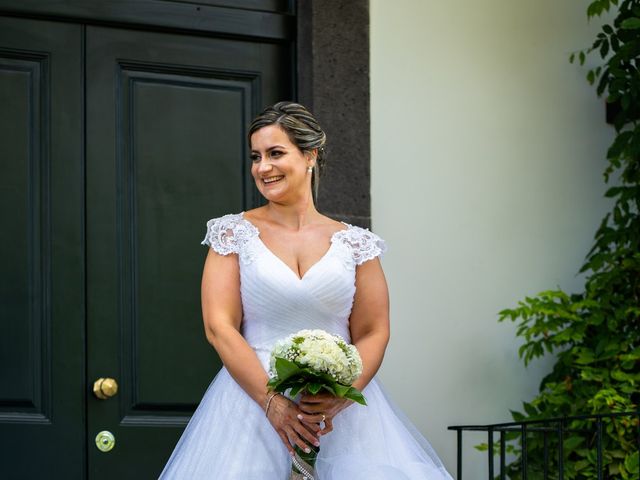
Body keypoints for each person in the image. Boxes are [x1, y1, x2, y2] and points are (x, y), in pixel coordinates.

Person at [159, 102, 452, 479]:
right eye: (256, 156)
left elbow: (374, 331)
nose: (263, 167)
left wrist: (339, 399)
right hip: (251, 408)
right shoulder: (232, 234)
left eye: (275, 153)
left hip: (343, 420)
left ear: (310, 155)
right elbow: (219, 326)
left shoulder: (356, 244)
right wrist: (273, 403)